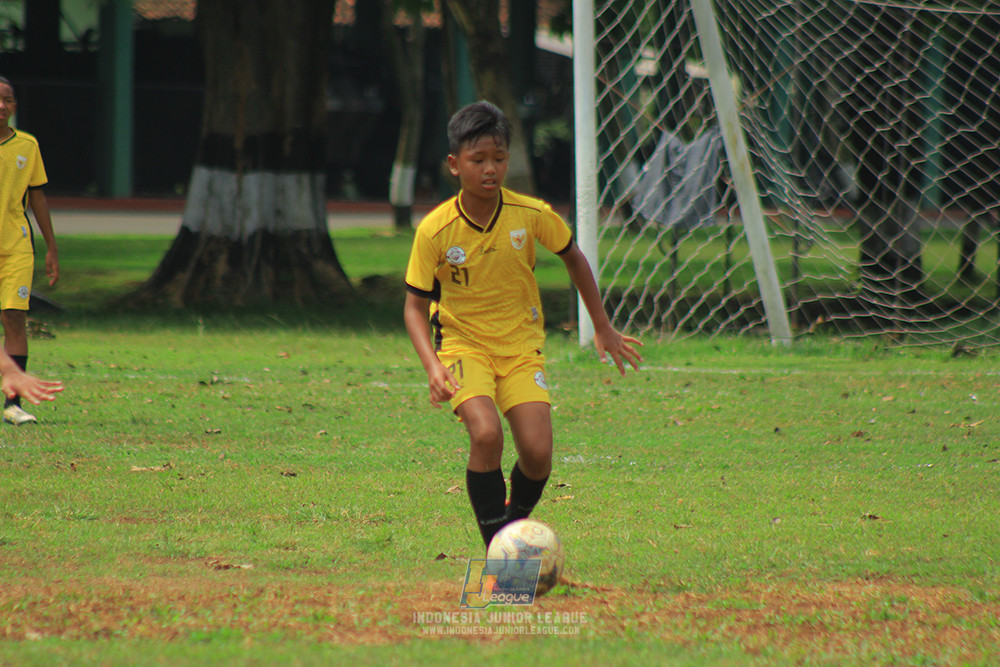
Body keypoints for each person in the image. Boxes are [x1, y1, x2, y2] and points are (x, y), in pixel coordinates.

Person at [404, 101, 642, 549]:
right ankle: (499, 550)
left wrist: (602, 326)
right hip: (462, 347)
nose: (490, 170)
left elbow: (573, 256)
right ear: (455, 165)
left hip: (519, 349)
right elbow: (414, 308)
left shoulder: (530, 214)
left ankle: (509, 533)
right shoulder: (435, 231)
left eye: (499, 159)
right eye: (478, 161)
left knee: (537, 453)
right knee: (487, 434)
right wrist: (433, 366)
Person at [0, 76, 60, 425]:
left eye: (7, 99)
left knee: (14, 317)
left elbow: (37, 197)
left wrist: (52, 248)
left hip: (17, 246)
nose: (2, 106)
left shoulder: (27, 145)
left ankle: (13, 403)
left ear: (15, 107)